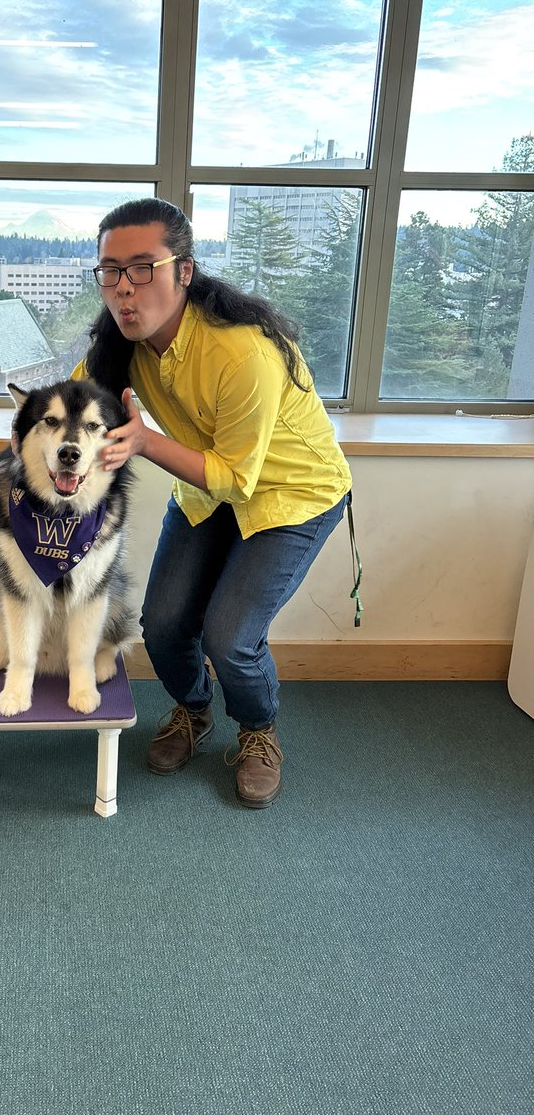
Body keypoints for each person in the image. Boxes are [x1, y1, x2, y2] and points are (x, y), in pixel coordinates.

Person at [71, 197, 353, 808]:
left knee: (230, 635)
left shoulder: (241, 350)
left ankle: (258, 731)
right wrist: (27, 456)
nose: (124, 289)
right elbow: (71, 406)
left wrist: (143, 441)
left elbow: (231, 478)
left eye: (142, 267)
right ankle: (194, 711)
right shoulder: (120, 343)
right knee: (165, 625)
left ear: (184, 271)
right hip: (208, 490)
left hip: (292, 495)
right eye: (110, 270)